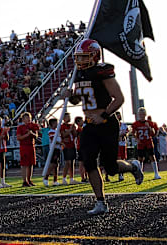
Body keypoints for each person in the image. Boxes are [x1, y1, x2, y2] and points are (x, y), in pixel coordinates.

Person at [67, 39, 143, 215]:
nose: (80, 61)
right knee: (88, 162)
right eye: (79, 57)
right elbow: (78, 100)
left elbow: (119, 98)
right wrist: (70, 96)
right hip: (89, 126)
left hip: (107, 123)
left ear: (94, 56)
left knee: (110, 167)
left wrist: (103, 115)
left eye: (84, 57)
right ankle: (100, 202)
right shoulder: (78, 74)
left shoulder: (102, 72)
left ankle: (132, 166)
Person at [131, 108, 161, 180]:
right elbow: (133, 133)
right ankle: (140, 174)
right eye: (140, 114)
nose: (142, 115)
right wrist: (137, 139)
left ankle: (156, 173)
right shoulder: (135, 124)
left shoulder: (150, 123)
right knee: (140, 158)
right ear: (138, 115)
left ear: (145, 114)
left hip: (148, 142)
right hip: (141, 143)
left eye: (143, 114)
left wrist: (149, 127)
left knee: (152, 157)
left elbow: (153, 134)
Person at [16, 112, 38, 187]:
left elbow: (36, 136)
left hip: (31, 146)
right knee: (24, 164)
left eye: (30, 118)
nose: (29, 119)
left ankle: (29, 180)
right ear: (23, 119)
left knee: (31, 164)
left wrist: (32, 134)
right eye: (27, 118)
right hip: (24, 147)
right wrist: (27, 135)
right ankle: (24, 181)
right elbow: (19, 137)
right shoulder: (20, 127)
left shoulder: (32, 126)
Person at [60, 113, 78, 185]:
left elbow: (75, 135)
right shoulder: (62, 126)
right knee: (68, 162)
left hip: (72, 144)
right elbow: (63, 135)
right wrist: (70, 130)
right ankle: (64, 178)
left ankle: (71, 178)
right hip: (66, 146)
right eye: (67, 117)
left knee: (72, 162)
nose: (69, 118)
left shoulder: (71, 125)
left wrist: (74, 129)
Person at [42, 118, 60, 187]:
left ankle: (55, 180)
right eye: (56, 123)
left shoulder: (56, 131)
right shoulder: (51, 131)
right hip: (54, 149)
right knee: (52, 164)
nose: (57, 124)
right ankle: (46, 177)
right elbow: (53, 140)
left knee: (56, 165)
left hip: (57, 149)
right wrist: (61, 143)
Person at [74, 116, 88, 183]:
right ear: (78, 122)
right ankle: (83, 177)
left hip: (83, 147)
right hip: (81, 147)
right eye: (81, 120)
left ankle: (86, 176)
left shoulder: (82, 129)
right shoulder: (79, 130)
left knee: (85, 163)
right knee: (82, 163)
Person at [117, 113, 129, 181]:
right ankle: (120, 174)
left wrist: (124, 134)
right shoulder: (113, 125)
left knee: (123, 158)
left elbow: (127, 132)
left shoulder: (124, 125)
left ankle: (122, 173)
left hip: (123, 143)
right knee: (118, 158)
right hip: (116, 144)